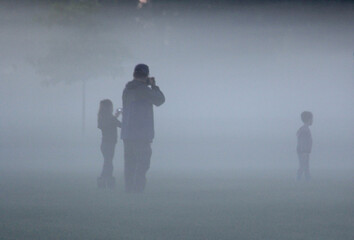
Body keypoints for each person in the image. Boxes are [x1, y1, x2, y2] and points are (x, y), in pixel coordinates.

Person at [121, 64, 165, 193]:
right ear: (146, 75)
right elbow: (160, 100)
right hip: (141, 134)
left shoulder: (127, 89)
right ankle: (138, 190)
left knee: (129, 164)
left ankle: (129, 190)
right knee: (142, 164)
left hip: (127, 133)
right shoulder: (143, 90)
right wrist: (154, 86)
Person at [97, 99, 121, 189]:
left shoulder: (104, 117)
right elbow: (119, 124)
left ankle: (104, 180)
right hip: (108, 143)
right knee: (108, 163)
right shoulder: (107, 118)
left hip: (108, 143)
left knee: (108, 162)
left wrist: (115, 116)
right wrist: (116, 116)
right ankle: (105, 180)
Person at [296, 111, 313, 181]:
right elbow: (302, 141)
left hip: (304, 151)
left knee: (306, 166)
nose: (312, 121)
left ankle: (307, 179)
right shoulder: (305, 130)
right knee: (303, 166)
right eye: (311, 119)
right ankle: (298, 179)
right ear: (308, 119)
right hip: (303, 151)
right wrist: (304, 151)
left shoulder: (304, 129)